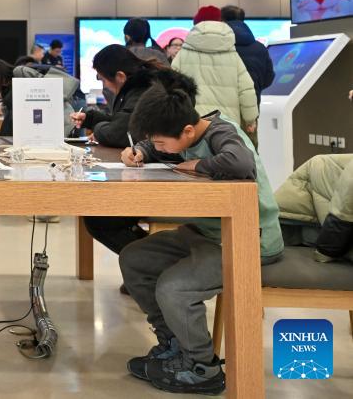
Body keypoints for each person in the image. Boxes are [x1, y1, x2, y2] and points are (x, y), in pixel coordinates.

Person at [117, 70, 282, 395]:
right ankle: (175, 343)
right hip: (206, 232)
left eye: (161, 141)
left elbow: (239, 162)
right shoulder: (184, 131)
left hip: (248, 238)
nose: (160, 146)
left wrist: (197, 166)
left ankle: (201, 367)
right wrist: (143, 151)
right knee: (134, 258)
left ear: (188, 131)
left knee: (174, 289)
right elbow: (160, 145)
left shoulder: (223, 131)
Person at [171, 8, 258, 137]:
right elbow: (246, 89)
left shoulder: (183, 55)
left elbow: (171, 88)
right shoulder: (232, 54)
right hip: (227, 124)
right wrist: (250, 119)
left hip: (192, 123)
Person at [69, 45, 161, 150]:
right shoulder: (137, 87)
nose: (104, 86)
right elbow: (121, 120)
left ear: (120, 76)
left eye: (103, 80)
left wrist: (98, 132)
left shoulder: (141, 92)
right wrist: (90, 119)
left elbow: (119, 133)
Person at [220, 5, 275, 110]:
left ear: (222, 20)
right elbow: (269, 77)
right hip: (252, 107)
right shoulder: (260, 48)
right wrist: (255, 88)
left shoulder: (217, 46)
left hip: (223, 107)